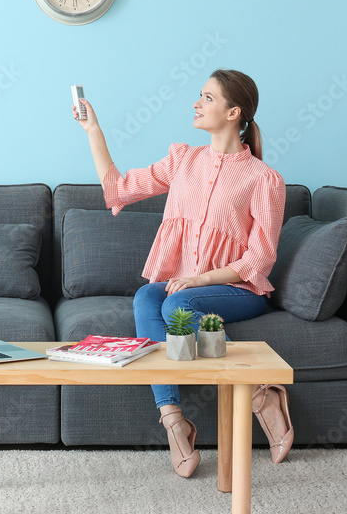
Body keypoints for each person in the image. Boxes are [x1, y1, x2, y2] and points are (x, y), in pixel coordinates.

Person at [73, 69, 294, 476]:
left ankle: (262, 397)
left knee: (179, 298)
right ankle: (175, 422)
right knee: (147, 297)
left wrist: (201, 278)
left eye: (207, 98)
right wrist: (93, 130)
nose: (197, 103)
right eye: (200, 96)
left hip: (237, 291)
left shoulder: (265, 180)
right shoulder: (182, 159)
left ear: (233, 112)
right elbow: (119, 189)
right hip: (184, 290)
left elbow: (259, 258)